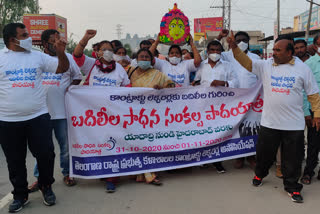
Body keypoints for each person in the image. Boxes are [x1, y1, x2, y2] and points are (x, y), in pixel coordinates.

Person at [226, 30, 320, 203]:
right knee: (264, 154)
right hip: (270, 123)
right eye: (274, 49)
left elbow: (313, 94)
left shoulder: (303, 69)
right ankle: (259, 175)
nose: (274, 53)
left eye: (278, 50)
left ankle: (292, 187)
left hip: (294, 125)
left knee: (293, 159)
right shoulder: (266, 65)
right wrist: (234, 48)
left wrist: (317, 115)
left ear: (289, 53)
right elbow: (247, 63)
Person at [0, 23, 70, 212]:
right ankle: (20, 195)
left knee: (45, 155)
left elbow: (62, 69)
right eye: (24, 35)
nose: (29, 38)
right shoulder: (1, 58)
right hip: (8, 121)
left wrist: (61, 52)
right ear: (12, 40)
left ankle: (46, 187)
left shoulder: (37, 56)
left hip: (38, 117)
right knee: (14, 160)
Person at [73, 30, 130, 193]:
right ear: (97, 52)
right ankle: (101, 171)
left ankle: (112, 177)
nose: (108, 52)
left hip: (114, 114)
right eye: (103, 49)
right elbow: (77, 56)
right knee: (98, 144)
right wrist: (85, 38)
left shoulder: (119, 68)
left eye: (110, 49)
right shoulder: (91, 64)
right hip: (94, 114)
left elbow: (128, 89)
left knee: (113, 144)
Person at [28, 29, 83, 192]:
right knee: (42, 149)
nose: (59, 43)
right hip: (41, 113)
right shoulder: (38, 59)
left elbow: (77, 76)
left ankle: (67, 173)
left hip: (62, 112)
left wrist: (70, 90)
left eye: (60, 40)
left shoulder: (67, 59)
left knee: (65, 147)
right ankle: (40, 178)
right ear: (45, 44)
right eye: (54, 41)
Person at [127, 48, 174, 184]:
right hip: (133, 113)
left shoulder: (157, 74)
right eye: (141, 57)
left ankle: (149, 173)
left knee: (148, 142)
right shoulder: (129, 72)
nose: (144, 60)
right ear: (136, 60)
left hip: (151, 115)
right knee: (136, 143)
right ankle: (139, 173)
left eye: (147, 57)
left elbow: (171, 85)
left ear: (152, 60)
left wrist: (162, 89)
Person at [193, 40, 238, 173]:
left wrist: (224, 83)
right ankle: (204, 160)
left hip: (221, 106)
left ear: (221, 52)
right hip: (203, 105)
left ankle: (218, 161)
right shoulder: (201, 66)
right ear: (207, 52)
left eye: (218, 50)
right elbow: (196, 81)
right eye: (212, 50)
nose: (215, 53)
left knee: (218, 133)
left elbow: (235, 82)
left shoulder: (228, 66)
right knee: (204, 133)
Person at [218, 30, 260, 169]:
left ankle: (251, 156)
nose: (242, 43)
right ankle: (239, 156)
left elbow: (260, 78)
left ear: (249, 42)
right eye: (239, 40)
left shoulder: (256, 58)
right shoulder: (228, 56)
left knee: (252, 129)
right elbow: (213, 53)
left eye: (245, 40)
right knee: (236, 129)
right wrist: (220, 37)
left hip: (252, 100)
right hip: (234, 100)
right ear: (234, 41)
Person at [300, 34, 320, 185]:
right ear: (315, 46)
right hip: (316, 111)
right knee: (313, 143)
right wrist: (307, 113)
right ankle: (309, 171)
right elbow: (304, 92)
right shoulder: (309, 65)